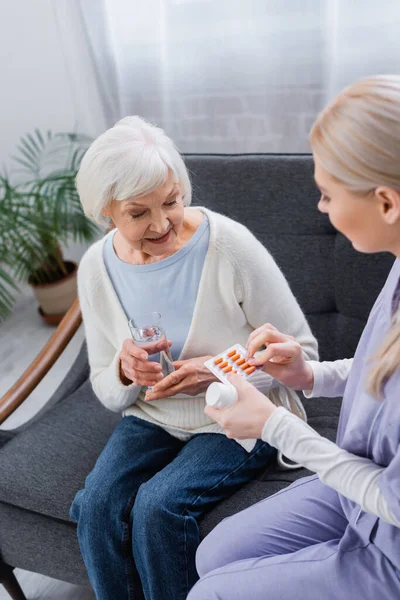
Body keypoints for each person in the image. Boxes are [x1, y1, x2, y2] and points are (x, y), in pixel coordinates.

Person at [68, 116, 318, 600]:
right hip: (154, 415)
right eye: (139, 214)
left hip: (239, 415)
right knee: (98, 504)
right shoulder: (98, 268)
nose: (162, 224)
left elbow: (302, 353)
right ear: (106, 213)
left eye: (172, 200)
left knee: (158, 507)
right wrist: (125, 370)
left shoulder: (229, 245)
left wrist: (215, 371)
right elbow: (104, 384)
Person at [188, 75, 400, 600]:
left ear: (387, 203)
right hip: (360, 486)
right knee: (211, 553)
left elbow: (394, 502)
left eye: (327, 194)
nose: (322, 209)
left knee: (207, 594)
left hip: (390, 535)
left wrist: (275, 425)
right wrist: (312, 375)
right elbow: (384, 369)